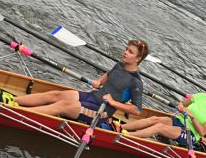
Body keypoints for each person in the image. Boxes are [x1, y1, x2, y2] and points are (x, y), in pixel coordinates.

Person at [15, 39, 148, 123]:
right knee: (56, 94)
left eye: (130, 52)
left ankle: (16, 113)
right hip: (92, 96)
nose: (125, 52)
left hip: (102, 111)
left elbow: (136, 110)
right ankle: (14, 102)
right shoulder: (120, 64)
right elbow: (109, 74)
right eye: (126, 49)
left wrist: (113, 102)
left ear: (138, 58)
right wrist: (99, 82)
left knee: (64, 105)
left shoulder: (136, 82)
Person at [121, 79, 206, 146]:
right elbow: (182, 104)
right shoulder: (200, 96)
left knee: (158, 127)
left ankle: (127, 136)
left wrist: (192, 117)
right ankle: (121, 128)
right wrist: (181, 106)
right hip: (179, 121)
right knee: (154, 119)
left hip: (191, 134)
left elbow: (203, 132)